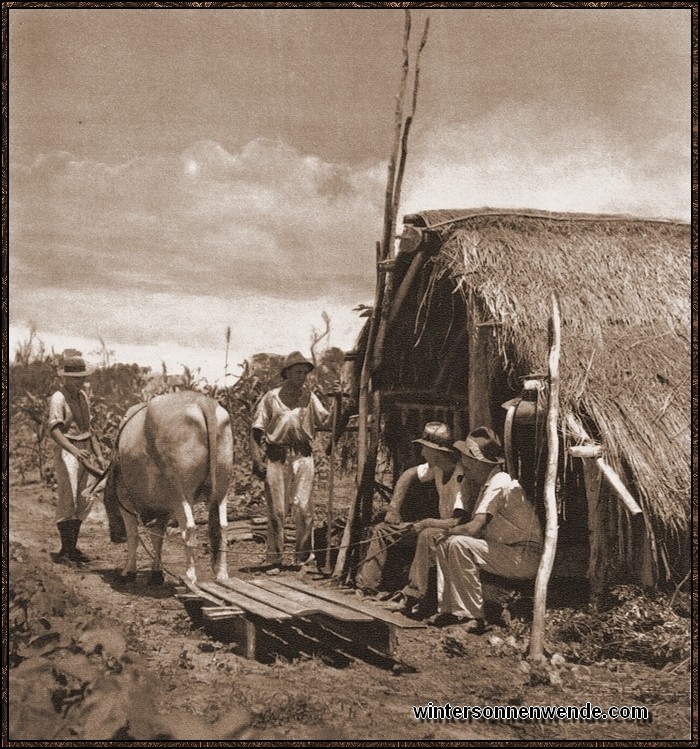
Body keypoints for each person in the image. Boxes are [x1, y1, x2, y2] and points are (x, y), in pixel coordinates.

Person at [430, 426, 543, 631]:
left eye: (468, 459)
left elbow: (474, 528)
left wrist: (448, 532)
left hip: (524, 556)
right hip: (507, 551)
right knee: (446, 543)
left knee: (458, 543)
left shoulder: (499, 482)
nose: (464, 464)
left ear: (478, 462)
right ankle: (447, 611)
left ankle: (472, 616)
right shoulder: (485, 483)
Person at [356, 422, 472, 612]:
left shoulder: (461, 477)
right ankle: (366, 587)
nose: (422, 454)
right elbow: (409, 475)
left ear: (436, 451)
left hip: (453, 534)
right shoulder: (437, 467)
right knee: (383, 530)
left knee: (426, 533)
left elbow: (457, 521)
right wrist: (393, 508)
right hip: (434, 528)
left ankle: (411, 596)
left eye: (425, 449)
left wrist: (424, 523)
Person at [250, 351, 339, 574]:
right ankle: (274, 558)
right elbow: (256, 430)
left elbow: (327, 422)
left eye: (305, 372)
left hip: (302, 456)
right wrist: (255, 459)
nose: (302, 376)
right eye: (297, 372)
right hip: (276, 457)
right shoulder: (271, 397)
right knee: (277, 509)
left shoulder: (309, 397)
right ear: (286, 373)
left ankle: (302, 557)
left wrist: (338, 402)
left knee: (303, 506)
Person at [47, 352, 104, 563]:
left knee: (84, 498)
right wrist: (73, 450)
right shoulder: (58, 398)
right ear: (65, 378)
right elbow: (54, 430)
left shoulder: (82, 397)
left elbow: (89, 429)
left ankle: (73, 547)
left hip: (85, 449)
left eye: (82, 378)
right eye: (76, 378)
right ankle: (65, 549)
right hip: (68, 449)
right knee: (68, 497)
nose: (80, 382)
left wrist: (98, 455)